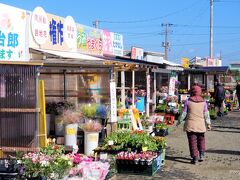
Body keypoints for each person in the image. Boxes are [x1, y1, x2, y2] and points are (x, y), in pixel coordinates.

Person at [177, 85, 211, 165]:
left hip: (190, 125)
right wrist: (208, 124)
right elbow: (206, 114)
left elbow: (183, 114)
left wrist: (179, 121)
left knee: (192, 141)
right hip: (201, 125)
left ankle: (195, 158)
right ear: (200, 92)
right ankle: (202, 155)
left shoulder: (188, 101)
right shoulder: (204, 102)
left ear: (192, 92)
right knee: (201, 140)